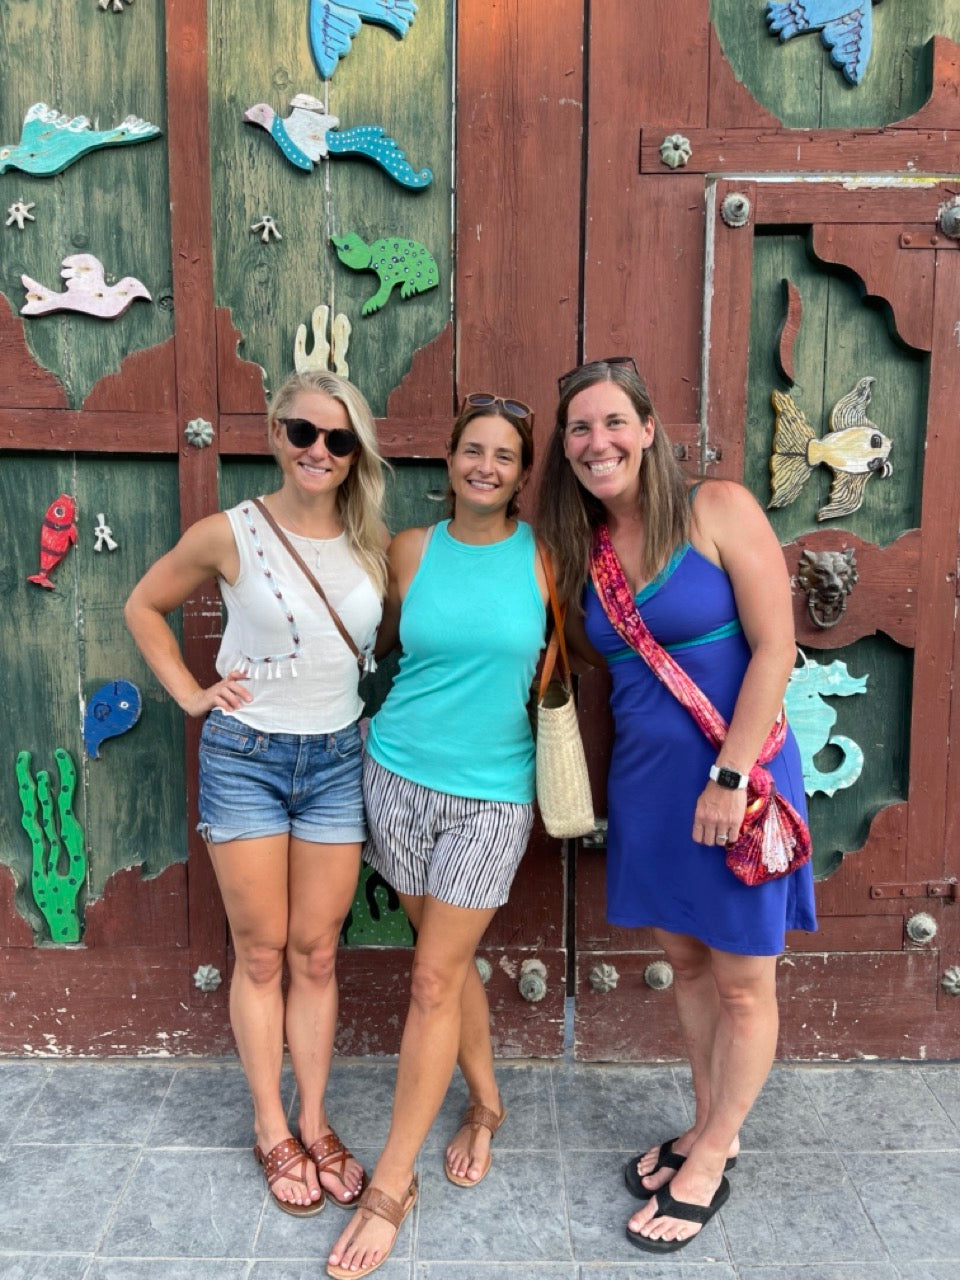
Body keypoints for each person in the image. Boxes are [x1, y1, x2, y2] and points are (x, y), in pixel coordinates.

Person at [535, 358, 817, 1254]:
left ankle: (712, 1158)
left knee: (743, 981)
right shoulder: (583, 550)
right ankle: (706, 1125)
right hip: (651, 791)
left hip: (741, 782)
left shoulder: (720, 510)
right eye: (579, 430)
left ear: (649, 429)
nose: (596, 442)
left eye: (613, 422)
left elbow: (775, 649)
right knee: (690, 971)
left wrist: (729, 780)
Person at [124, 371, 388, 1216]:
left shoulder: (373, 541)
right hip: (247, 758)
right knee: (264, 951)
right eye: (304, 433)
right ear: (276, 434)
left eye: (338, 440)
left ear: (356, 454)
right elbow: (143, 606)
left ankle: (315, 1118)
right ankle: (270, 1125)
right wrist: (192, 694)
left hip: (337, 761)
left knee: (316, 953)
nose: (319, 450)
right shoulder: (229, 532)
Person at [326, 393, 548, 1279]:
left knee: (430, 978)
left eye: (503, 455)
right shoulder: (411, 552)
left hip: (492, 797)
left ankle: (391, 1183)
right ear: (448, 460)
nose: (485, 467)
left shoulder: (548, 559)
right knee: (441, 967)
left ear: (524, 472)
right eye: (472, 451)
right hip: (395, 777)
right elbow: (367, 644)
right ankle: (487, 1105)